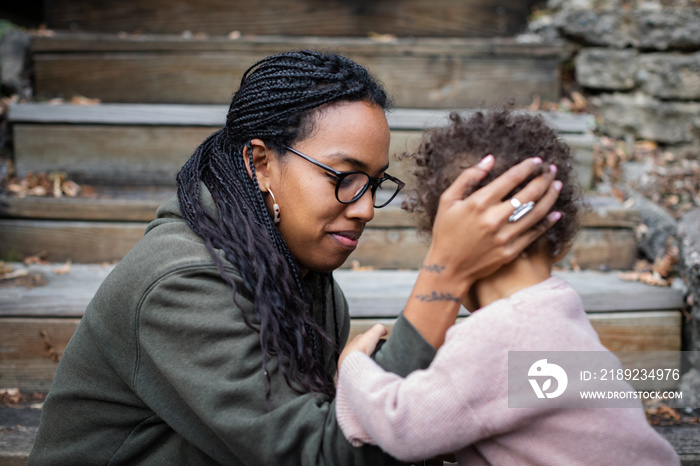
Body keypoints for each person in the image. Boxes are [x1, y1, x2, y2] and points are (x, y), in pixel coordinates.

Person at [29, 52, 561, 465]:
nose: (367, 209)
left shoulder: (302, 276)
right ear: (260, 163)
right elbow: (319, 457)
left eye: (374, 184)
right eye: (343, 178)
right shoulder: (181, 284)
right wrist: (446, 273)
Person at [335, 109, 680, 465]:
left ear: (455, 244)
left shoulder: (501, 334)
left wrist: (354, 367)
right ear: (560, 243)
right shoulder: (560, 313)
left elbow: (403, 428)